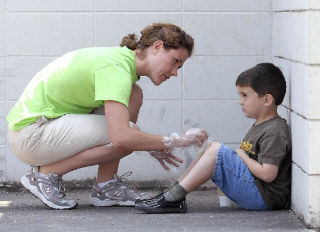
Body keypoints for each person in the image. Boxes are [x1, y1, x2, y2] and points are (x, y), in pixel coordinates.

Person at [6, 22, 208, 210]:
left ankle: (106, 186)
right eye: (174, 62)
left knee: (133, 95)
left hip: (43, 128)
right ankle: (45, 176)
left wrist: (150, 144)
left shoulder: (120, 64)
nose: (175, 73)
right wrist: (174, 140)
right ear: (157, 47)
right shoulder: (116, 69)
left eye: (179, 67)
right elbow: (122, 137)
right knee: (129, 133)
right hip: (32, 134)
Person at [135, 63, 292, 213]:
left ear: (267, 100)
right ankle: (173, 193)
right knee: (213, 148)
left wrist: (242, 156)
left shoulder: (275, 130)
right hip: (256, 191)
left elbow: (268, 174)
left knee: (217, 150)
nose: (240, 102)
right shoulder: (262, 125)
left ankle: (172, 197)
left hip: (265, 198)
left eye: (245, 96)